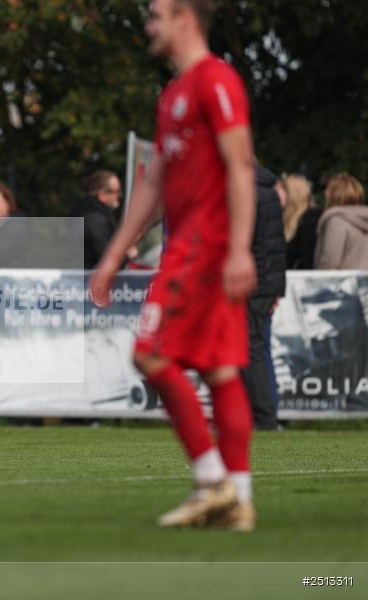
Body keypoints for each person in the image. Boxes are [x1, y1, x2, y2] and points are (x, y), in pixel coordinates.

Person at [89, 0, 257, 530]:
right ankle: (240, 503)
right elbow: (156, 182)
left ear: (186, 17)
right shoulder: (174, 94)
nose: (148, 25)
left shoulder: (216, 80)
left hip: (204, 246)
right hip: (190, 243)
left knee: (150, 355)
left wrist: (238, 247)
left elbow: (241, 165)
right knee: (218, 368)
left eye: (157, 14)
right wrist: (115, 254)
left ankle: (212, 481)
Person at [240, 166, 286, 431]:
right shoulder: (268, 192)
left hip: (250, 283)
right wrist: (276, 287)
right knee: (256, 348)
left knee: (249, 349)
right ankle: (263, 415)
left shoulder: (245, 191)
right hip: (264, 283)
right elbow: (274, 246)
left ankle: (262, 417)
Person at [69, 170, 123, 269]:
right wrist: (127, 254)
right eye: (116, 191)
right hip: (88, 279)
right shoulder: (95, 219)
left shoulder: (86, 211)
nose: (119, 195)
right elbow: (104, 257)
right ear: (102, 195)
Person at [314, 173, 368, 269]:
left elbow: (329, 263)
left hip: (342, 283)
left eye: (328, 190)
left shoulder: (336, 221)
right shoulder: (364, 218)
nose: (325, 193)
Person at [280, 174, 319, 269]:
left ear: (293, 194)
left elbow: (307, 261)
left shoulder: (309, 221)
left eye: (284, 190)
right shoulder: (290, 219)